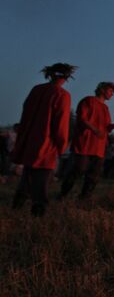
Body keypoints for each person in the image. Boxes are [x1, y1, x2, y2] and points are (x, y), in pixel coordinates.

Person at [11, 63, 75, 216]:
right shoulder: (62, 95)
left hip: (30, 140)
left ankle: (17, 206)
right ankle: (38, 211)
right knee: (41, 178)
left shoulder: (37, 90)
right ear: (66, 77)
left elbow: (25, 112)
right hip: (46, 144)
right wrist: (61, 144)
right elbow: (60, 123)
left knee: (28, 174)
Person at [59, 82, 114, 200]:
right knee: (78, 169)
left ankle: (85, 197)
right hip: (84, 143)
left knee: (94, 174)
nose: (112, 94)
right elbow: (82, 118)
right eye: (110, 91)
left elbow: (106, 127)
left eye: (113, 92)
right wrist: (95, 130)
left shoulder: (105, 108)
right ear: (102, 90)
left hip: (99, 147)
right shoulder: (88, 101)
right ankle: (63, 192)